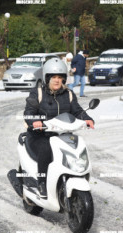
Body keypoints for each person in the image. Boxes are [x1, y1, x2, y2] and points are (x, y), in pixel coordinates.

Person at [24, 58, 94, 199]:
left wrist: (87, 118)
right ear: (47, 78)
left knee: (77, 146)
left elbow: (77, 111)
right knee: (45, 149)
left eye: (60, 77)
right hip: (39, 135)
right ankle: (41, 184)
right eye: (54, 77)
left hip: (61, 135)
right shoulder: (37, 93)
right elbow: (29, 112)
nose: (57, 80)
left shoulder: (68, 94)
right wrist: (36, 121)